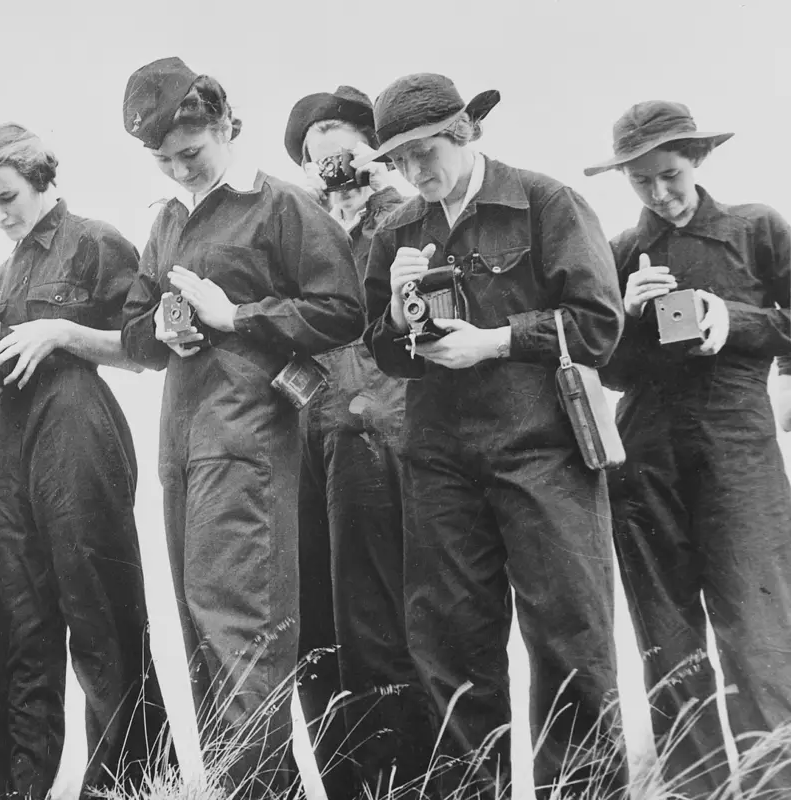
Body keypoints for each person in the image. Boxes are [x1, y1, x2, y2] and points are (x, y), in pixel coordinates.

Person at [357, 73, 628, 799]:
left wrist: (498, 341)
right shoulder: (396, 234)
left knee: (571, 643)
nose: (416, 171)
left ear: (465, 133)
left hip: (545, 456)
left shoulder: (546, 203)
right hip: (439, 465)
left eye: (425, 150)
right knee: (451, 652)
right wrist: (393, 306)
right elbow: (380, 351)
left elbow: (599, 325)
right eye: (400, 159)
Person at [118, 57, 364, 799]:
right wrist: (166, 326)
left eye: (189, 153)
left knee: (242, 631)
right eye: (161, 161)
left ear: (226, 126)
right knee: (202, 631)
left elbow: (343, 310)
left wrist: (238, 317)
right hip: (181, 447)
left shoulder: (282, 207)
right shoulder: (164, 221)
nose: (176, 170)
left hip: (247, 440)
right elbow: (133, 332)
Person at [0, 122, 173, 800]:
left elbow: (147, 348)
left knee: (98, 608)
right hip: (12, 438)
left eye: (8, 197)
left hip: (78, 423)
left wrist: (64, 332)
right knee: (14, 614)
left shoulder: (97, 242)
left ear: (42, 180)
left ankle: (125, 784)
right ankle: (12, 789)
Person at [586, 101, 791, 795]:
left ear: (696, 160)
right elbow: (606, 370)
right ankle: (692, 789)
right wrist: (628, 315)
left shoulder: (757, 229)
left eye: (668, 175)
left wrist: (728, 319)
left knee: (758, 633)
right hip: (647, 461)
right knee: (668, 647)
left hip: (740, 456)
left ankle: (774, 788)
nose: (659, 193)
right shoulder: (617, 253)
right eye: (641, 182)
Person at [282, 86, 430, 798]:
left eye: (338, 134)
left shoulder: (406, 212)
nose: (326, 153)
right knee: (315, 630)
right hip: (308, 437)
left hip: (383, 434)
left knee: (381, 624)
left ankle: (405, 783)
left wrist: (384, 187)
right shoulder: (298, 224)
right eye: (312, 146)